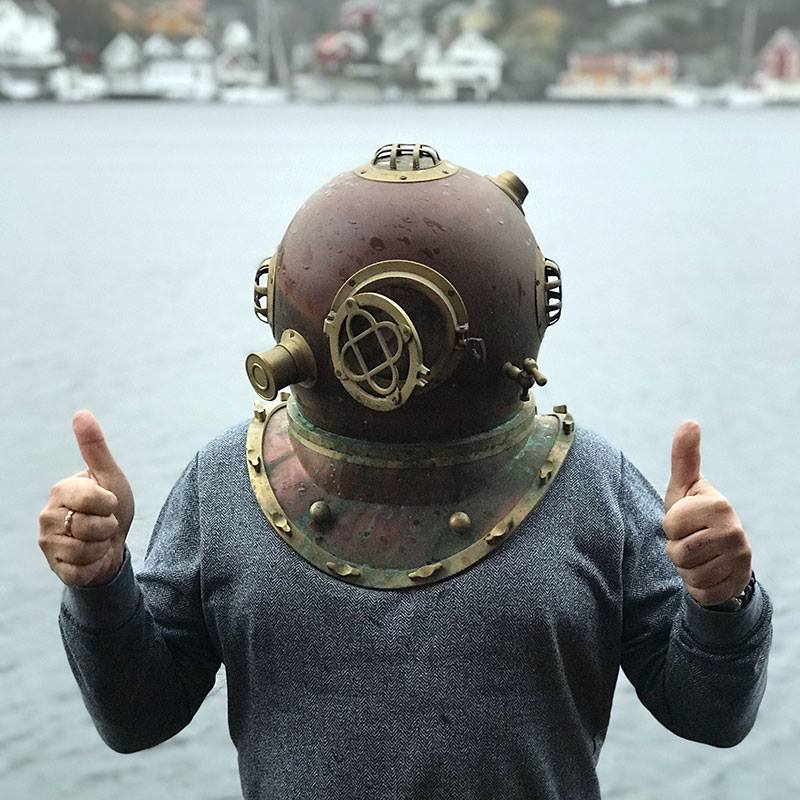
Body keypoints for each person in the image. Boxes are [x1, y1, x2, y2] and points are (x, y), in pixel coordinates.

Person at [39, 145, 772, 800]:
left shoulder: (591, 485)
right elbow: (137, 716)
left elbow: (711, 714)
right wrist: (101, 584)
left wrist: (721, 598)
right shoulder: (224, 482)